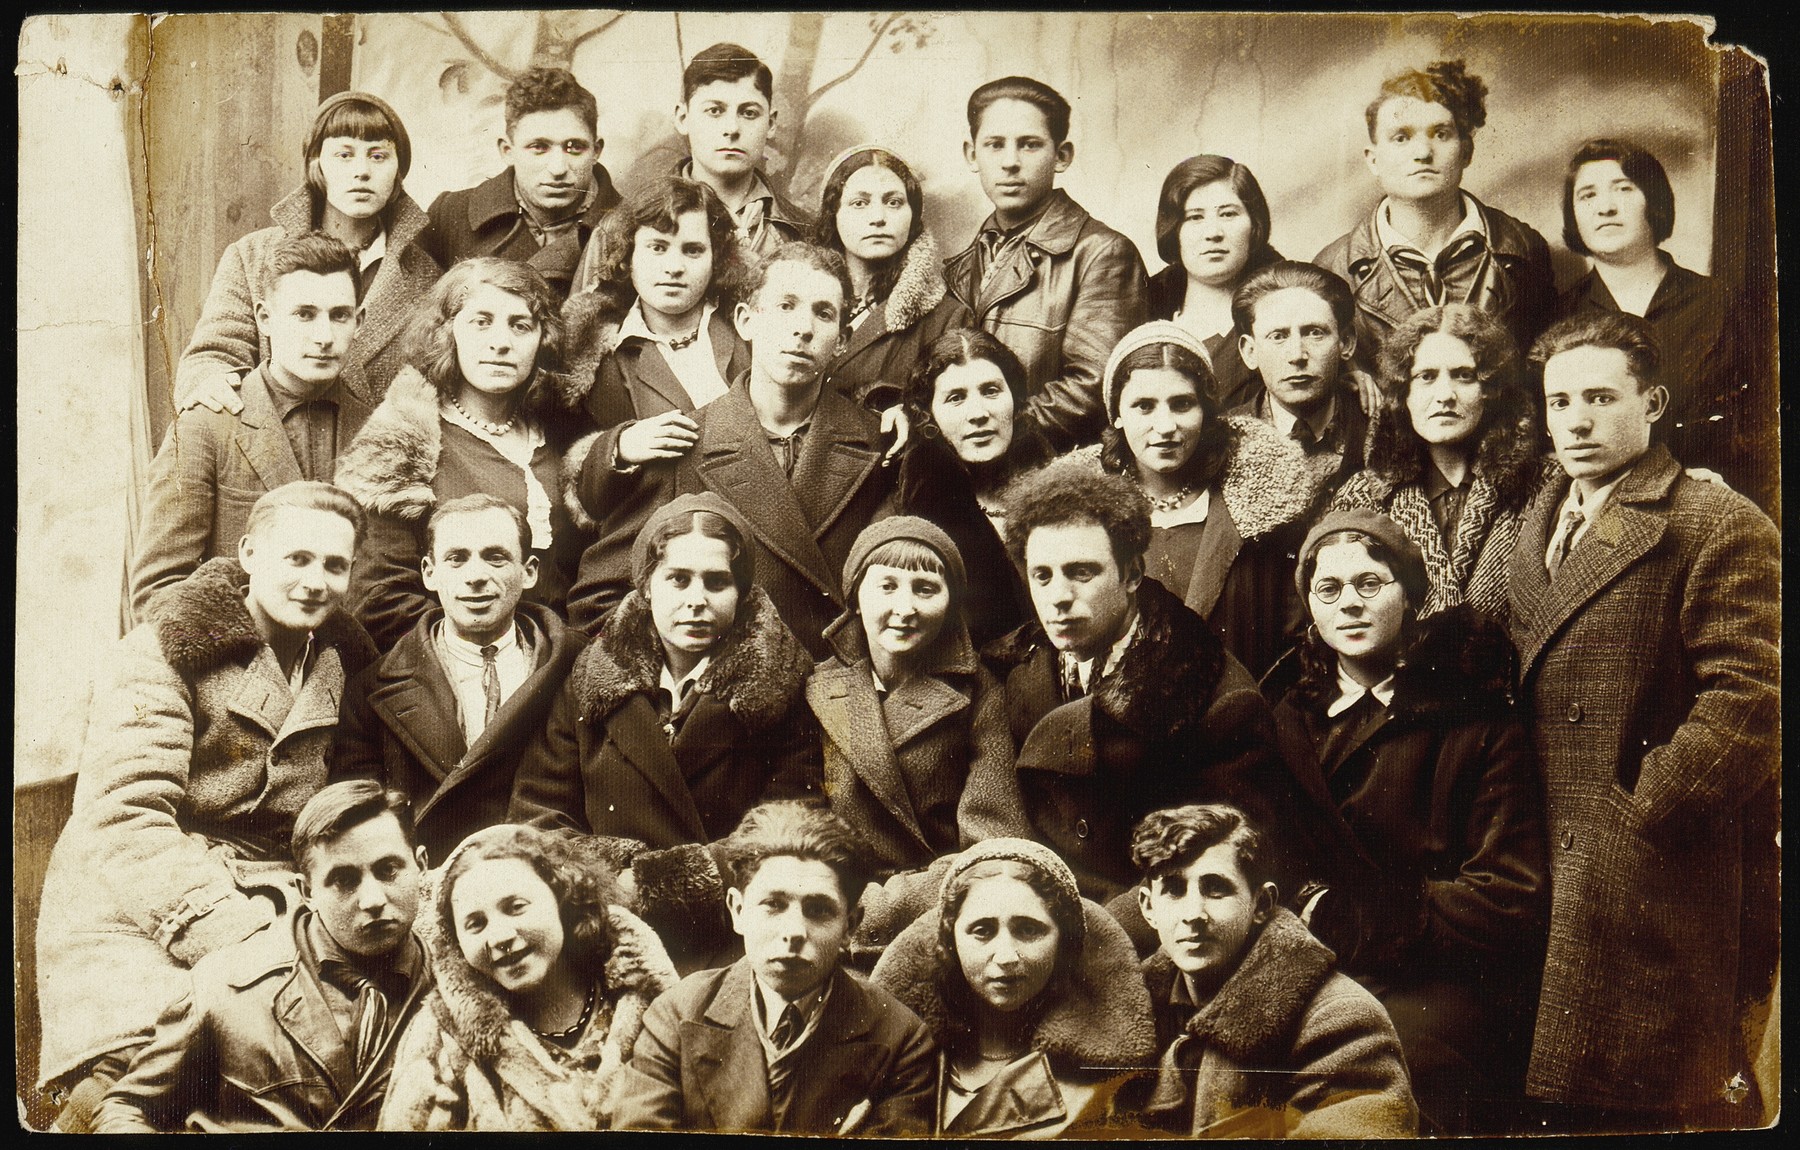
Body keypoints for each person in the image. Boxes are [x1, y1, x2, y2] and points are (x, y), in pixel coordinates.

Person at [36, 482, 378, 1131]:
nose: (315, 581)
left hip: (270, 880)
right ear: (250, 553)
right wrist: (231, 932)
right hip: (134, 888)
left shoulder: (338, 655)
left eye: (334, 564)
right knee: (151, 1054)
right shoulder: (163, 649)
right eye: (296, 558)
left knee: (315, 1051)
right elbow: (124, 815)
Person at [1509, 313, 1779, 1131]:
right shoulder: (1542, 512)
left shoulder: (1712, 520)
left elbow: (1753, 699)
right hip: (1539, 851)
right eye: (1561, 402)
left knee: (1649, 1102)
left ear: (1653, 402)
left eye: (1601, 396)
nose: (1578, 421)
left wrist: (1644, 806)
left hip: (1645, 865)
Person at [1266, 510, 1548, 1133]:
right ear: (1309, 605)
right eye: (1329, 589)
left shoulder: (1475, 722)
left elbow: (1509, 895)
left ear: (1410, 595)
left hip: (1438, 984)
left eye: (1371, 584)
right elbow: (1271, 861)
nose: (1350, 606)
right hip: (1314, 967)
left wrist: (1365, 918)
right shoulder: (1288, 720)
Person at [964, 457, 1312, 906]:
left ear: (1130, 575)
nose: (1058, 597)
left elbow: (1230, 870)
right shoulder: (1011, 673)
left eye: (1081, 572)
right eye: (1042, 576)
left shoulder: (1214, 693)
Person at [568, 242, 912, 656]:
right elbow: (597, 600)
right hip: (723, 702)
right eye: (786, 306)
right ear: (747, 321)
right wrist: (686, 684)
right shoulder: (685, 443)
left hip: (842, 698)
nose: (803, 328)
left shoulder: (882, 444)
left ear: (841, 340)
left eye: (823, 313)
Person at [95, 781, 432, 1132]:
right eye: (344, 880)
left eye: (388, 870)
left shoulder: (456, 987)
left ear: (421, 865)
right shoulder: (228, 984)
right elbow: (127, 1107)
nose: (373, 899)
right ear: (308, 891)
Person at [509, 493, 819, 868]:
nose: (697, 600)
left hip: (731, 911)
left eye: (717, 582)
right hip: (609, 907)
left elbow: (789, 830)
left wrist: (670, 881)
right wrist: (618, 880)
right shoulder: (589, 681)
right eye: (678, 579)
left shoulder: (781, 687)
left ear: (741, 592)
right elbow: (539, 818)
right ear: (646, 586)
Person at [612, 801, 939, 1135]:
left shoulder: (901, 1038)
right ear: (738, 911)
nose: (794, 931)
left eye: (818, 909)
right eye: (773, 904)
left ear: (850, 926)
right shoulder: (677, 1014)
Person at [335, 257, 591, 650]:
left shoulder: (562, 433)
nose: (501, 342)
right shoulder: (406, 440)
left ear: (543, 339)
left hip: (564, 660)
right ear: (447, 333)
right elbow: (378, 599)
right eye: (481, 322)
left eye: (520, 325)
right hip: (447, 667)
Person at [1129, 804, 1416, 1138]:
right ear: (1149, 907)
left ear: (1261, 904)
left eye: (1216, 889)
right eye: (1174, 890)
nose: (1194, 913)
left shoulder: (1341, 1020)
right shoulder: (1132, 1009)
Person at [131, 232, 376, 619]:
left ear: (358, 320)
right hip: (233, 664)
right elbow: (158, 589)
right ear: (264, 318)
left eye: (339, 315)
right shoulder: (206, 425)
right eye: (304, 314)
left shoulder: (378, 431)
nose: (324, 336)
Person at [333, 494, 588, 864]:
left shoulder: (576, 665)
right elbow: (358, 822)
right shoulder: (372, 690)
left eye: (495, 557)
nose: (475, 576)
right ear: (429, 573)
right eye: (457, 558)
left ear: (529, 571)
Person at [379, 823, 679, 1130]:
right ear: (457, 943)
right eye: (475, 924)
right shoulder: (441, 1038)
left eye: (515, 907)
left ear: (562, 899)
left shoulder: (653, 998)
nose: (499, 936)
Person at [1096, 320, 1337, 678]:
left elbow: (1294, 642)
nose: (1165, 426)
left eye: (1182, 404)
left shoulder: (1261, 510)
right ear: (1116, 414)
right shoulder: (1090, 523)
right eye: (1144, 406)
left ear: (1207, 413)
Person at [870, 838, 1157, 1137]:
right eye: (982, 931)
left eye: (1029, 930)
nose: (1006, 956)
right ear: (951, 941)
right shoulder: (902, 1065)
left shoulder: (1102, 1091)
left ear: (1064, 942)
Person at [175, 91, 439, 413]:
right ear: (318, 166)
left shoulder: (427, 278)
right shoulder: (253, 256)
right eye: (344, 155)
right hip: (274, 447)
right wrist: (211, 381)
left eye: (378, 156)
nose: (362, 171)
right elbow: (215, 354)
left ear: (398, 171)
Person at [943, 75, 1150, 452]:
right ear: (972, 155)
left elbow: (1093, 387)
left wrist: (983, 434)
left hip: (1053, 471)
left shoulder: (1103, 253)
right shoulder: (960, 264)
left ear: (1062, 155)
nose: (1010, 162)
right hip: (968, 468)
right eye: (994, 145)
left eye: (1030, 145)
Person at [807, 518, 1015, 878]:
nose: (905, 608)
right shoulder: (815, 687)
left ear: (951, 604)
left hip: (941, 895)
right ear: (855, 597)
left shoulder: (980, 693)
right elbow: (799, 826)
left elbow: (992, 845)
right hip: (837, 895)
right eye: (887, 586)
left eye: (926, 589)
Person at [1315, 58, 1555, 369]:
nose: (1423, 153)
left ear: (1466, 151)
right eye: (1401, 137)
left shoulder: (1521, 251)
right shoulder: (1334, 269)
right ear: (1373, 160)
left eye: (1441, 134)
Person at [1331, 303, 1550, 623]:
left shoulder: (1543, 486)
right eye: (1426, 377)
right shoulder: (1362, 497)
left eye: (1464, 376)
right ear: (1403, 392)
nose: (1445, 394)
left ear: (1489, 389)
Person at [1553, 137, 1738, 481]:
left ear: (1653, 201)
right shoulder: (1560, 316)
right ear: (1574, 214)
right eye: (1588, 195)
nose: (1605, 207)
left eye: (1623, 189)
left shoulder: (1718, 302)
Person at [561, 175, 750, 463]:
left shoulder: (749, 333)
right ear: (627, 257)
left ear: (716, 260)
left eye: (693, 250)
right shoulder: (598, 360)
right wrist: (619, 447)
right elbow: (577, 471)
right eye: (658, 248)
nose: (674, 267)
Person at [900, 327, 1051, 645]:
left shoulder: (1056, 486)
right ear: (929, 416)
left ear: (1015, 400)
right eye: (956, 398)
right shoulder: (913, 512)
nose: (979, 414)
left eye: (991, 391)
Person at [421, 66, 621, 300]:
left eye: (575, 147)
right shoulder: (450, 216)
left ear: (596, 150)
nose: (558, 168)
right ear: (507, 150)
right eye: (538, 147)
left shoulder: (631, 226)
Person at [814, 146, 955, 413]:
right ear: (833, 214)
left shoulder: (948, 319)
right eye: (859, 203)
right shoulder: (800, 302)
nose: (878, 218)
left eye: (893, 202)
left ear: (913, 215)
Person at [1146, 155, 1283, 411]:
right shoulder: (1140, 306)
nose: (1213, 233)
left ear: (1254, 225)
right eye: (1195, 217)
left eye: (1228, 214)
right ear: (1173, 230)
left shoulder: (1287, 305)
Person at [662, 42, 808, 261]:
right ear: (683, 119)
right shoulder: (627, 224)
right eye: (714, 111)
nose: (732, 129)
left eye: (749, 113)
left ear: (770, 124)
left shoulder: (805, 232)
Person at [1232, 261, 1371, 488]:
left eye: (1315, 333)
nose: (1297, 355)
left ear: (1345, 343)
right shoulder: (1223, 445)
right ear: (1250, 351)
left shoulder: (1384, 435)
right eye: (1278, 336)